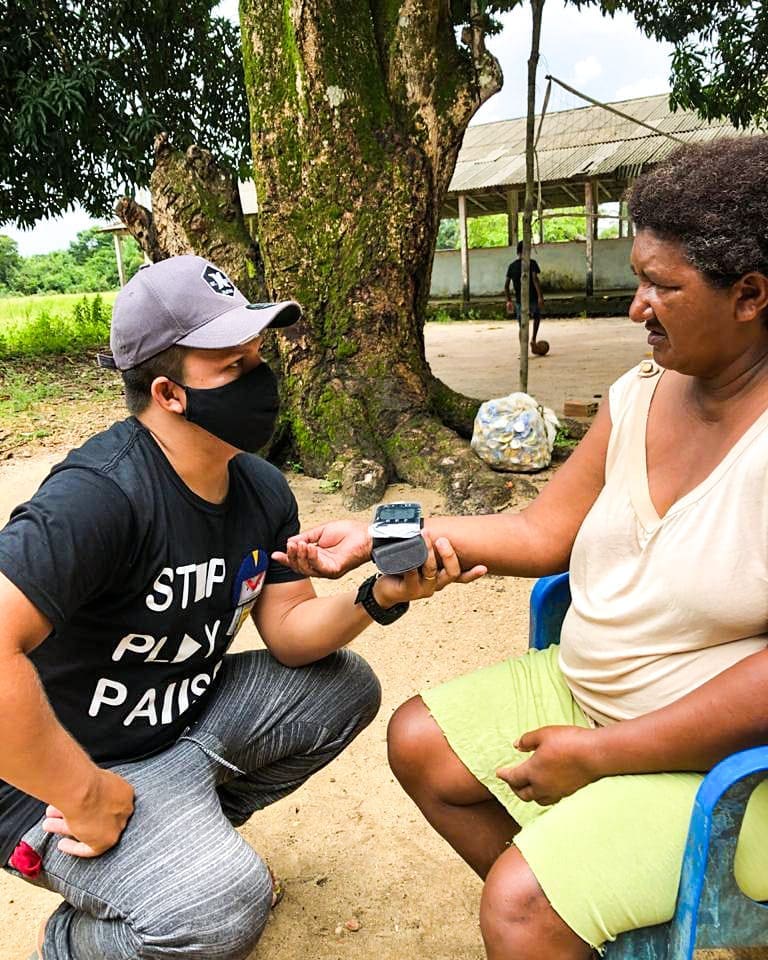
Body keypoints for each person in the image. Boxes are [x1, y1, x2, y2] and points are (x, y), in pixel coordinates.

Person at [276, 137, 768, 959]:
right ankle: (580, 922)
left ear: (750, 295)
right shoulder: (640, 395)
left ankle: (546, 914)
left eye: (662, 286)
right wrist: (380, 537)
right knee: (422, 745)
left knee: (516, 907)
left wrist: (603, 759)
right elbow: (542, 533)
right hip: (588, 698)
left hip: (728, 768)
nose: (635, 307)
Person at [0, 255, 484, 960]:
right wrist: (83, 794)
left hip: (177, 728)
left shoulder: (257, 486)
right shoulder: (99, 496)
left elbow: (289, 634)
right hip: (56, 776)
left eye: (260, 357)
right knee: (225, 909)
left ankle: (180, 841)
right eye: (233, 367)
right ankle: (79, 937)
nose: (262, 380)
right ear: (168, 392)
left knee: (343, 686)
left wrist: (376, 595)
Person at [505, 240, 545, 347]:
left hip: (519, 300)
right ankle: (533, 339)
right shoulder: (532, 263)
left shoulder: (512, 266)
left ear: (517, 252)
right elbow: (535, 280)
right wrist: (540, 297)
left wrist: (508, 301)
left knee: (522, 325)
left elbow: (506, 286)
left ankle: (523, 347)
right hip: (532, 298)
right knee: (536, 317)